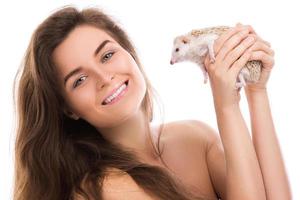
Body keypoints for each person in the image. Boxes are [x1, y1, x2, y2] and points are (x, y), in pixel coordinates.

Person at [13, 5, 291, 200]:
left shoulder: (194, 137)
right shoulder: (101, 188)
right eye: (79, 80)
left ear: (129, 53)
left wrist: (257, 93)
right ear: (68, 109)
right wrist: (227, 106)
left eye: (107, 56)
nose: (104, 77)